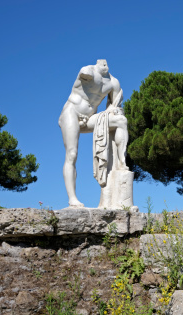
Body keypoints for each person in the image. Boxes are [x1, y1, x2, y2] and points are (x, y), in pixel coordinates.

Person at [58, 60, 128, 208]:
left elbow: (116, 106)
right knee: (72, 154)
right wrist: (90, 71)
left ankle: (122, 163)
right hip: (72, 113)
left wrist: (112, 110)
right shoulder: (88, 70)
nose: (105, 64)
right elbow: (84, 73)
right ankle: (72, 198)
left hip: (90, 118)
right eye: (101, 63)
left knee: (121, 121)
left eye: (106, 63)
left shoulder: (113, 83)